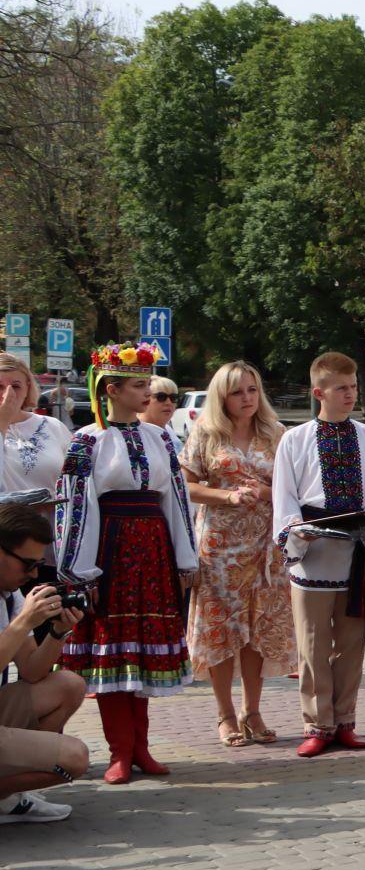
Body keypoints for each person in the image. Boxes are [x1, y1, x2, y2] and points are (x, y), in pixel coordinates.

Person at [54, 340, 196, 784]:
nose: (147, 394)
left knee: (141, 649)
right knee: (112, 649)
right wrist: (79, 568)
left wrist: (185, 556)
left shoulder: (160, 437)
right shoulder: (86, 440)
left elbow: (176, 496)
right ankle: (119, 750)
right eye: (139, 386)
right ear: (111, 389)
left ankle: (142, 748)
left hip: (153, 550)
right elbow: (77, 506)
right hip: (109, 551)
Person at [272, 352, 365, 757]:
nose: (350, 394)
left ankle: (345, 720)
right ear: (318, 392)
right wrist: (296, 531)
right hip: (312, 552)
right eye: (341, 388)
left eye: (354, 386)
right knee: (312, 645)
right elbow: (285, 496)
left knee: (350, 642)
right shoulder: (295, 439)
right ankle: (317, 724)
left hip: (358, 551)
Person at [181, 361, 296, 748]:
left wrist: (265, 493)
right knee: (221, 629)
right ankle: (225, 714)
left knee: (256, 628)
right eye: (237, 392)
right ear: (221, 397)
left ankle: (253, 709)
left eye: (251, 389)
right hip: (220, 545)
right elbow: (186, 483)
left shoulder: (276, 432)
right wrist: (226, 495)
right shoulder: (207, 433)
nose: (246, 398)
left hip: (264, 546)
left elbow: (292, 485)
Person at [0, 505, 90, 823]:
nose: (34, 575)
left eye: (38, 565)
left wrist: (57, 632)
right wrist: (23, 623)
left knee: (68, 684)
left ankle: (7, 799)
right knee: (73, 757)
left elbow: (32, 671)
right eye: (28, 565)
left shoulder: (8, 597)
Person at [0, 353, 71, 504]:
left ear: (27, 389)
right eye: (0, 387)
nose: (8, 394)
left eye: (16, 386)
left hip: (49, 523)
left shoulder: (53, 426)